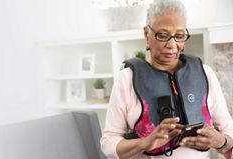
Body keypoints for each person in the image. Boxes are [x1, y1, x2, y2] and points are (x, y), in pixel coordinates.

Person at [100, 0, 233, 158]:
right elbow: (108, 143)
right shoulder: (127, 79)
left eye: (179, 36)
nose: (172, 44)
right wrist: (145, 142)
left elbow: (228, 131)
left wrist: (221, 142)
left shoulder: (206, 74)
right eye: (163, 35)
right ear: (146, 34)